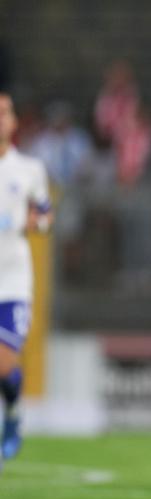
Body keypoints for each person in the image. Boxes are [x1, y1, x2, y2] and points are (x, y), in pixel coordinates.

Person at [0, 93, 52, 465]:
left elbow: (45, 216)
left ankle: (14, 415)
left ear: (14, 121)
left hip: (13, 279)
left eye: (4, 112)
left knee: (3, 362)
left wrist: (37, 223)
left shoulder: (30, 169)